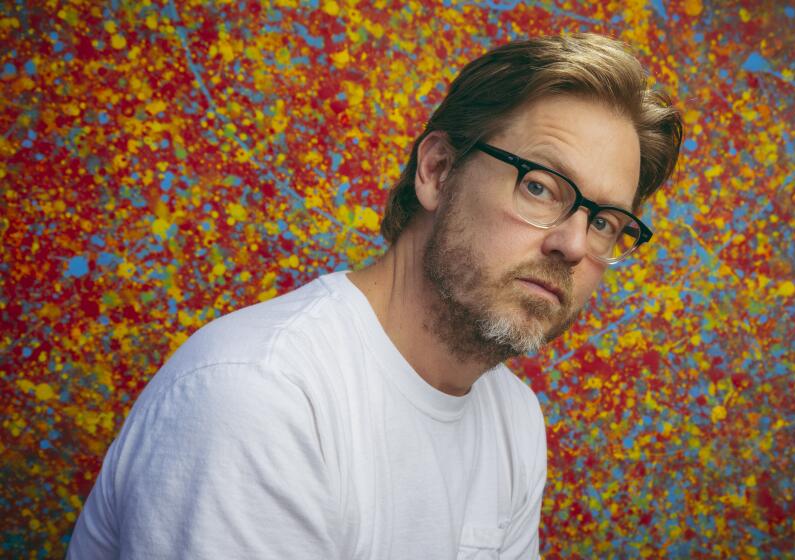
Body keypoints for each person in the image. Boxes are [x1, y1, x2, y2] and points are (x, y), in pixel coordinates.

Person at [67, 33, 682, 559]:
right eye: (542, 187)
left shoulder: (514, 418)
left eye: (605, 222)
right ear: (438, 171)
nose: (575, 244)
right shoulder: (262, 396)